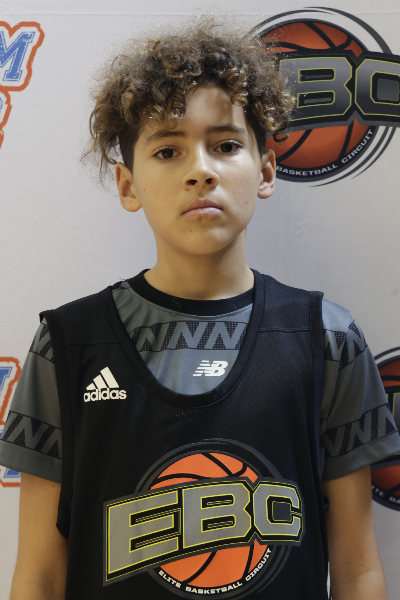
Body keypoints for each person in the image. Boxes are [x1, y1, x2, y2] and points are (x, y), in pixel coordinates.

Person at [2, 16, 399, 600]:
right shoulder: (68, 344)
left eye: (226, 145)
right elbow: (39, 574)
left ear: (265, 171)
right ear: (128, 185)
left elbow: (358, 568)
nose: (200, 170)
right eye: (168, 149)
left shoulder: (326, 338)